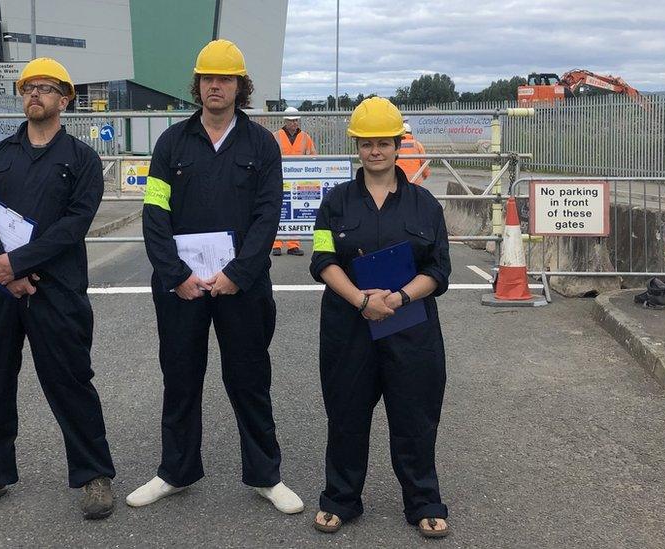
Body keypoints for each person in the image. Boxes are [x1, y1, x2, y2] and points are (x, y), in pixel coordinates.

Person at [127, 39, 303, 515]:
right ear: (198, 85)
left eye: (225, 79)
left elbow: (269, 215)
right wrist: (174, 274)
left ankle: (266, 476)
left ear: (241, 86)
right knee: (180, 378)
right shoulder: (171, 143)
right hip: (181, 286)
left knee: (249, 378)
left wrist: (238, 273)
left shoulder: (261, 144)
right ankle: (175, 472)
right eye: (208, 78)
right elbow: (154, 213)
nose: (215, 86)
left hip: (240, 286)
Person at [0, 57, 116, 519]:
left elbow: (74, 225)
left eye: (46, 88)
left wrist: (21, 264)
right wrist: (3, 268)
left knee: (70, 380)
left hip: (55, 289)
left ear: (65, 99)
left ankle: (93, 475)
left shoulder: (83, 160)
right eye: (28, 88)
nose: (35, 95)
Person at [308, 97, 452, 538]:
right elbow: (323, 259)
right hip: (349, 327)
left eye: (384, 143)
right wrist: (361, 301)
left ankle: (424, 501)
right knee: (347, 416)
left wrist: (401, 299)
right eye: (367, 143)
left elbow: (438, 269)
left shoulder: (425, 205)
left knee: (415, 418)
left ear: (397, 145)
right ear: (358, 147)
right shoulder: (335, 203)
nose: (376, 151)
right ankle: (340, 498)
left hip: (410, 328)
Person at [273, 106, 317, 257]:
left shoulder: (305, 137)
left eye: (296, 121)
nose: (294, 124)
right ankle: (276, 244)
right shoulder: (276, 136)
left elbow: (313, 156)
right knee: (280, 210)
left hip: (299, 180)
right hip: (280, 179)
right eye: (291, 121)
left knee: (296, 212)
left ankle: (293, 245)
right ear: (285, 121)